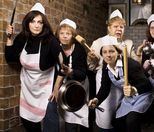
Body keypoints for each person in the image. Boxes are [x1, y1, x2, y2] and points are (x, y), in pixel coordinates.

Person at [5, 3, 61, 132]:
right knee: (28, 121)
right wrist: (9, 37)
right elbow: (11, 58)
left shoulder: (50, 40)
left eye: (40, 22)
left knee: (50, 123)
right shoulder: (23, 37)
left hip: (47, 90)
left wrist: (56, 88)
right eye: (33, 21)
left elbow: (62, 64)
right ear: (28, 23)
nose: (36, 25)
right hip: (28, 89)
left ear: (44, 24)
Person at [87, 9, 139, 131]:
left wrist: (139, 56)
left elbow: (135, 64)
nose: (119, 29)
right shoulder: (98, 42)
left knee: (121, 113)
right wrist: (91, 59)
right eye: (115, 26)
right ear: (109, 28)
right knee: (106, 114)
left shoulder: (128, 43)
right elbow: (91, 67)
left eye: (121, 27)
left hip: (122, 83)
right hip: (104, 81)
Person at [88, 36, 153, 132]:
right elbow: (104, 88)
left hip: (143, 94)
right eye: (105, 52)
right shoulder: (106, 67)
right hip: (129, 98)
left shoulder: (130, 64)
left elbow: (147, 84)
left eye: (111, 51)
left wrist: (133, 89)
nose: (108, 55)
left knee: (132, 120)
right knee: (117, 122)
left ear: (118, 52)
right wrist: (96, 100)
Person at [48, 18, 90, 132]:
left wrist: (71, 72)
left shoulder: (79, 49)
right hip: (64, 87)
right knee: (68, 118)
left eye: (68, 33)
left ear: (73, 36)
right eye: (62, 33)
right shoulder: (56, 48)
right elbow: (57, 71)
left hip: (79, 86)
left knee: (80, 117)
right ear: (58, 35)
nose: (65, 36)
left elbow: (82, 73)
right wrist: (56, 88)